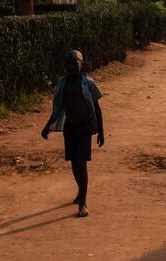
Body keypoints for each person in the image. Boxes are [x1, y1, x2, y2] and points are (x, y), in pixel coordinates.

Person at [41, 50, 105, 218]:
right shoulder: (62, 84)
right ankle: (80, 191)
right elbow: (57, 109)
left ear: (81, 65)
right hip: (70, 129)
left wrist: (101, 132)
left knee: (81, 163)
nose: (71, 67)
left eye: (75, 64)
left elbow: (97, 108)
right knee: (74, 164)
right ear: (65, 67)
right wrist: (47, 126)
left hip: (84, 128)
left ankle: (83, 202)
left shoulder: (88, 83)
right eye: (68, 64)